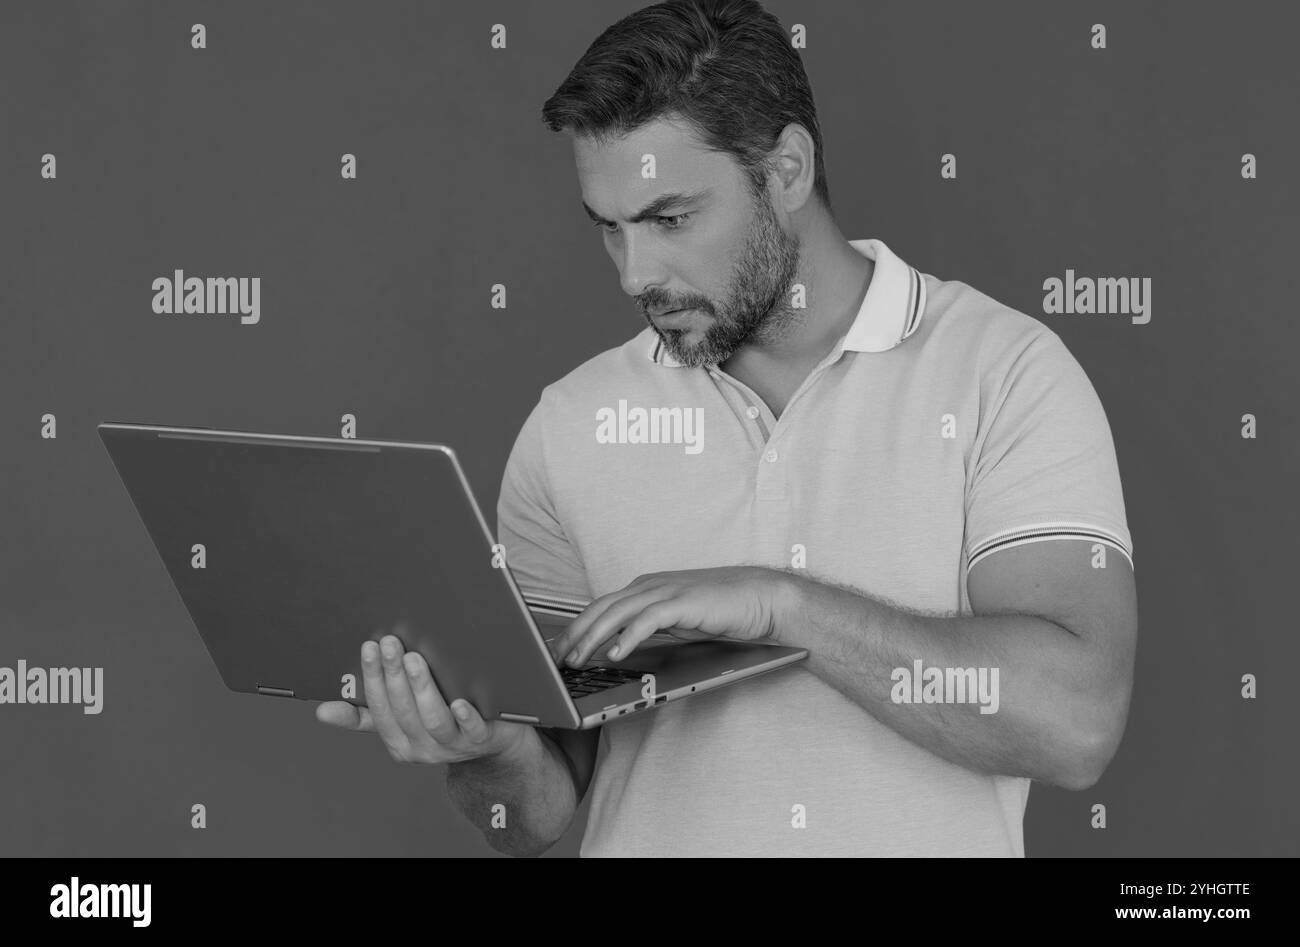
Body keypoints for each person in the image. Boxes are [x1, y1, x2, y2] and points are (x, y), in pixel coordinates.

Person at [317, 0, 1137, 857]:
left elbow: (1075, 723)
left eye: (670, 219)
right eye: (610, 228)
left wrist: (780, 605)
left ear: (786, 169)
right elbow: (537, 812)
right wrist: (488, 750)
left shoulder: (1004, 373)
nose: (638, 274)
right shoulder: (572, 424)